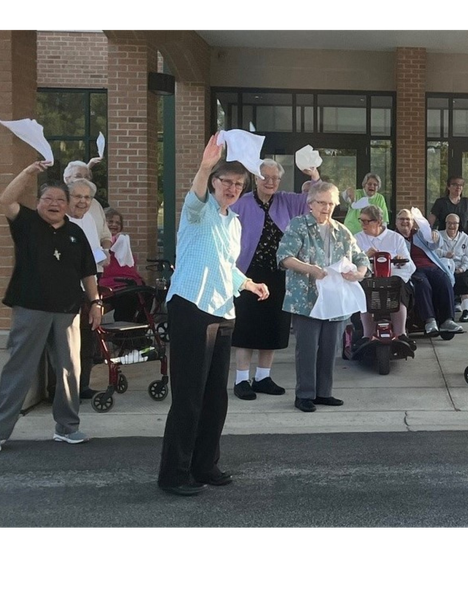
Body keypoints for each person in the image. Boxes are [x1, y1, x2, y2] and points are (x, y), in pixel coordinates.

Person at [157, 136, 269, 496]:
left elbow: (225, 265)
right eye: (226, 181)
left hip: (223, 310)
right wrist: (206, 165)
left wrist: (248, 283)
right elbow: (197, 191)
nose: (232, 188)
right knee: (189, 394)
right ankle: (174, 473)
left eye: (238, 184)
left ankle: (205, 465)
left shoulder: (233, 222)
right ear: (214, 182)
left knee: (215, 396)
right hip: (192, 306)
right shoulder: (198, 210)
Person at [0, 164, 101, 453]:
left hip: (67, 310)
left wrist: (96, 302)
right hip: (30, 307)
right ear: (38, 203)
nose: (54, 204)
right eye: (48, 199)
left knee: (69, 370)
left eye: (60, 200)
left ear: (67, 206)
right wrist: (27, 173)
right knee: (19, 370)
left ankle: (67, 427)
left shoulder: (76, 233)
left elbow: (88, 272)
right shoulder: (26, 223)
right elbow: (5, 200)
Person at [228, 158, 318, 400]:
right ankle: (241, 380)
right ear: (256, 178)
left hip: (279, 274)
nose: (270, 182)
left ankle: (263, 377)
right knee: (247, 328)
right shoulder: (242, 203)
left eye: (275, 178)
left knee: (273, 327)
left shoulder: (285, 200)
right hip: (248, 273)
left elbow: (313, 198)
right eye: (265, 177)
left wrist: (314, 175)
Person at [278, 182, 369, 412]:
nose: (326, 208)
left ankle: (323, 393)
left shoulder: (341, 230)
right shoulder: (298, 225)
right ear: (310, 203)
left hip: (335, 298)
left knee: (331, 348)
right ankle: (304, 395)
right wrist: (310, 269)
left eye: (331, 203)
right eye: (321, 203)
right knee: (307, 348)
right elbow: (284, 257)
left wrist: (358, 273)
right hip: (306, 298)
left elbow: (361, 259)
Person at [68, 177, 109, 400]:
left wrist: (95, 299)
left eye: (87, 197)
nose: (83, 202)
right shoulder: (61, 222)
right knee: (67, 341)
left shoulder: (90, 220)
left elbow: (92, 257)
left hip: (90, 286)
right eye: (78, 196)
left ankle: (83, 385)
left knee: (88, 336)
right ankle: (63, 389)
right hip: (67, 289)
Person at [395, 209, 465, 336]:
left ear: (413, 222)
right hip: (412, 269)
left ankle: (447, 320)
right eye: (402, 219)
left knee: (444, 280)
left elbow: (434, 245)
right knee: (422, 284)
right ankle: (430, 320)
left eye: (408, 219)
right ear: (396, 222)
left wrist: (435, 236)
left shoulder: (419, 234)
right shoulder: (394, 237)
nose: (405, 221)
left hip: (430, 266)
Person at [356, 204, 415, 344]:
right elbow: (350, 263)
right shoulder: (357, 239)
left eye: (366, 221)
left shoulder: (395, 238)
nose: (363, 224)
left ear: (378, 222)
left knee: (399, 288)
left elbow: (411, 266)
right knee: (363, 291)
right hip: (369, 280)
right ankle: (366, 335)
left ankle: (400, 333)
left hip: (392, 280)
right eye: (361, 221)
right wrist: (365, 256)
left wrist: (401, 261)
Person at [438, 213, 468, 321]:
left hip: (460, 268)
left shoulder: (464, 238)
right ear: (445, 224)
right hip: (444, 268)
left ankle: (466, 311)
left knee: (464, 281)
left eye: (455, 223)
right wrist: (445, 254)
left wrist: (462, 268)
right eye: (449, 223)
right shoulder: (438, 236)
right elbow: (433, 251)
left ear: (459, 224)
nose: (452, 226)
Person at [343, 172, 389, 236]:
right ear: (364, 185)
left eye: (375, 185)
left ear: (378, 187)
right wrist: (347, 192)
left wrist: (382, 234)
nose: (372, 186)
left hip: (370, 233)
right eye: (369, 184)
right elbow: (345, 197)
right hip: (351, 231)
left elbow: (384, 218)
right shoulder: (357, 193)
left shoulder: (380, 198)